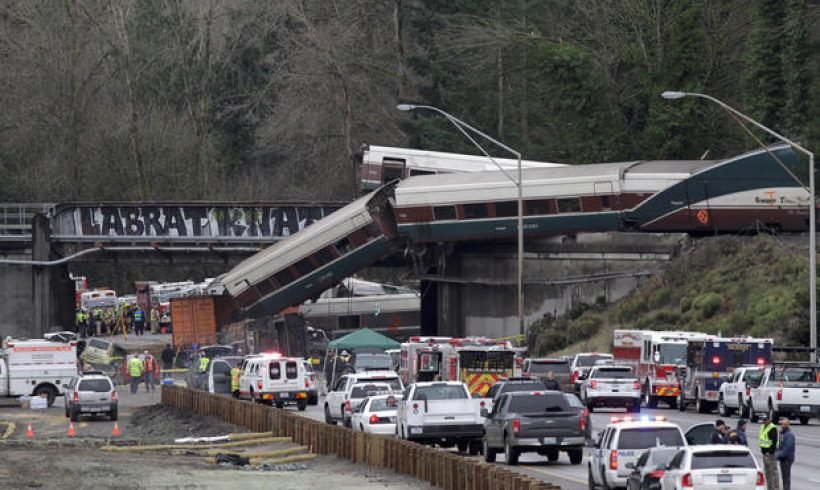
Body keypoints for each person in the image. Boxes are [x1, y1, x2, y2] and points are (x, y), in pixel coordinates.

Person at [759, 413, 780, 490]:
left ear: (769, 419)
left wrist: (770, 452)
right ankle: (769, 488)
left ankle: (775, 488)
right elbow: (762, 440)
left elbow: (774, 442)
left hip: (770, 454)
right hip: (764, 453)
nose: (764, 421)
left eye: (765, 420)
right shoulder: (762, 427)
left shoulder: (772, 428)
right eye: (763, 420)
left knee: (773, 473)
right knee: (767, 473)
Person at [776, 417, 795, 490]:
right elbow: (780, 445)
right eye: (781, 424)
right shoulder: (782, 433)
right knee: (784, 476)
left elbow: (787, 448)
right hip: (782, 458)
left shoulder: (789, 435)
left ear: (787, 425)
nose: (782, 425)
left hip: (787, 459)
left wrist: (779, 455)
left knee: (786, 476)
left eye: (784, 424)